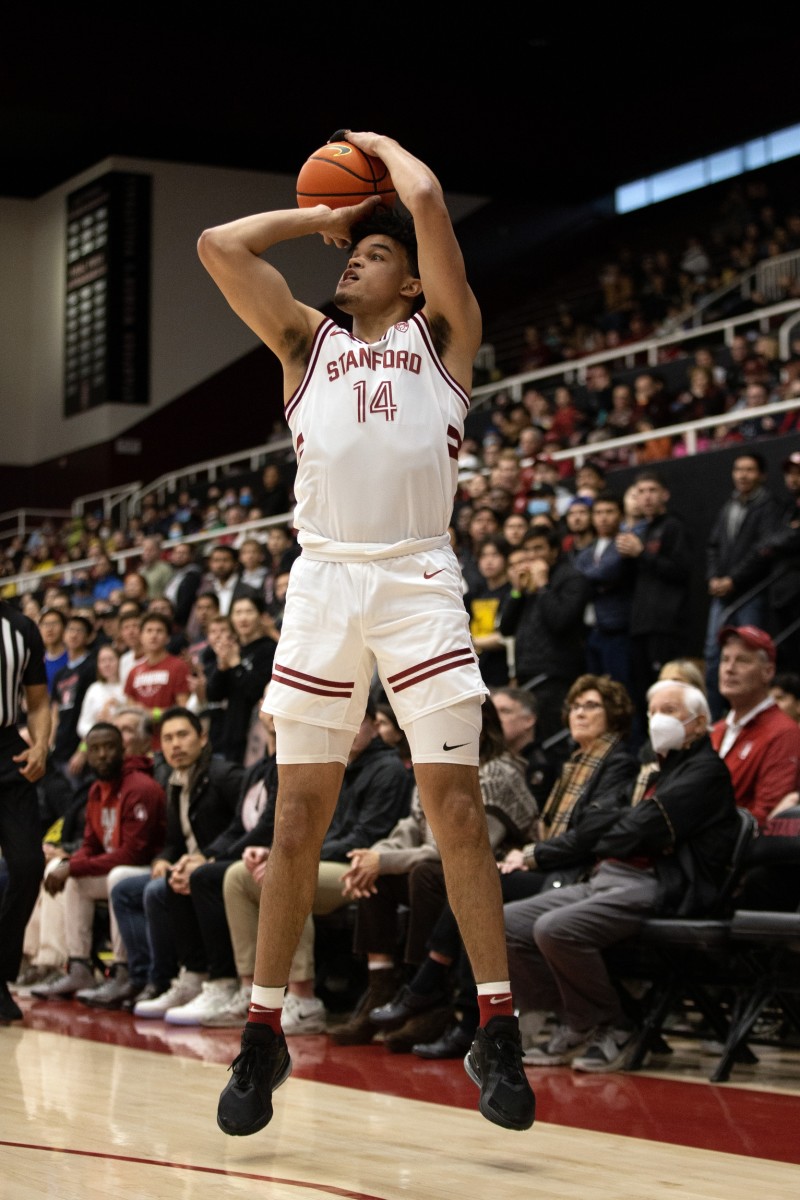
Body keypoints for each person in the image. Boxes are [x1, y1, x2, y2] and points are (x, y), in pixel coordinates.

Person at [197, 128, 535, 1134]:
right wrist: (320, 212)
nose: (353, 259)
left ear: (414, 287)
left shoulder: (444, 338)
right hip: (324, 581)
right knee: (295, 820)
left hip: (418, 576)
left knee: (455, 810)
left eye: (372, 253)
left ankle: (496, 1024)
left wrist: (375, 154)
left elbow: (427, 202)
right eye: (352, 251)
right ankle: (263, 1035)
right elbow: (219, 246)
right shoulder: (306, 342)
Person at [505, 679, 738, 1072]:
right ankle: (577, 1020)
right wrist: (617, 830)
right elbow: (594, 822)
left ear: (698, 724)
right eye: (653, 712)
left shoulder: (706, 771)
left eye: (670, 711)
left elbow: (633, 829)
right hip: (608, 875)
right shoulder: (653, 767)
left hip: (662, 885)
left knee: (555, 928)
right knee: (509, 922)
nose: (658, 719)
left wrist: (614, 831)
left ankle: (615, 1026)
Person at [331, 695, 536, 1050]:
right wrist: (375, 857)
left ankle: (428, 996)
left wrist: (386, 861)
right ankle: (381, 990)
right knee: (376, 879)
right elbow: (412, 825)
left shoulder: (497, 772)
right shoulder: (433, 761)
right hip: (435, 865)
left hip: (495, 872)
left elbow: (459, 849)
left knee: (425, 874)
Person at [216, 698, 410, 1035]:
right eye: (338, 722)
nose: (344, 730)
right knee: (237, 876)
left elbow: (365, 836)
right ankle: (250, 989)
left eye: (353, 722)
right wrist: (274, 852)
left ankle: (304, 1000)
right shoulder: (332, 765)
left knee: (289, 878)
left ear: (373, 726)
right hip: (326, 862)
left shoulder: (387, 769)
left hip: (363, 867)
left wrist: (294, 858)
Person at [29, 722, 166, 1001]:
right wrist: (70, 863)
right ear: (87, 755)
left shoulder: (141, 788)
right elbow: (91, 844)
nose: (102, 755)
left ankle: (123, 970)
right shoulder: (95, 790)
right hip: (113, 866)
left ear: (122, 750)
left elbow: (133, 854)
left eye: (109, 747)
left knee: (115, 878)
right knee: (59, 870)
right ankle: (76, 965)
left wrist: (74, 866)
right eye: (95, 749)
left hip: (146, 869)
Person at [0, 599, 51, 1022]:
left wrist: (41, 745)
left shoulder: (21, 628)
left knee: (28, 864)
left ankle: (0, 975)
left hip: (7, 750)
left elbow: (37, 701)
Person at [702, 452, 781, 719]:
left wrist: (734, 580)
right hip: (721, 595)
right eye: (738, 469)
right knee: (714, 657)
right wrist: (714, 577)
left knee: (749, 658)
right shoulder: (729, 505)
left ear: (762, 475)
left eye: (749, 470)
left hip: (750, 594)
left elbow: (763, 550)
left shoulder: (769, 505)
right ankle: (715, 719)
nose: (742, 475)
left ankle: (751, 716)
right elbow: (713, 546)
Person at [499, 527, 590, 742]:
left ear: (554, 551)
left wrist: (543, 587)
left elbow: (560, 621)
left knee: (553, 739)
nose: (531, 556)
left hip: (556, 675)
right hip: (526, 673)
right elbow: (506, 629)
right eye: (528, 550)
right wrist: (516, 592)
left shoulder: (572, 579)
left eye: (538, 549)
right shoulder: (527, 585)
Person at [710, 625, 800, 828]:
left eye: (742, 660)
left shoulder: (785, 733)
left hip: (731, 854)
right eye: (725, 659)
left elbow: (766, 816)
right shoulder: (715, 730)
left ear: (768, 672)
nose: (729, 668)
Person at [203, 593, 276, 763]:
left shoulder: (269, 649)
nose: (243, 618)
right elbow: (213, 694)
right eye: (238, 612)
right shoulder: (233, 648)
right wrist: (222, 666)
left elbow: (255, 691)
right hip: (228, 734)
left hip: (256, 734)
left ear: (260, 616)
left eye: (249, 611)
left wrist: (235, 663)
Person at [123, 612, 191, 752]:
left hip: (169, 743)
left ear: (167, 638)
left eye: (159, 631)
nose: (153, 636)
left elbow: (183, 707)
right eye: (149, 631)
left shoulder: (178, 666)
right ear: (141, 636)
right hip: (140, 746)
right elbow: (130, 709)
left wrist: (152, 714)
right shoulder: (134, 671)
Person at [77, 644, 126, 739]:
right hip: (97, 738)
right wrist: (98, 728)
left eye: (111, 659)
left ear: (119, 661)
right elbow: (82, 725)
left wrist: (114, 719)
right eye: (102, 661)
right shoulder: (94, 689)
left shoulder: (126, 686)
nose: (107, 664)